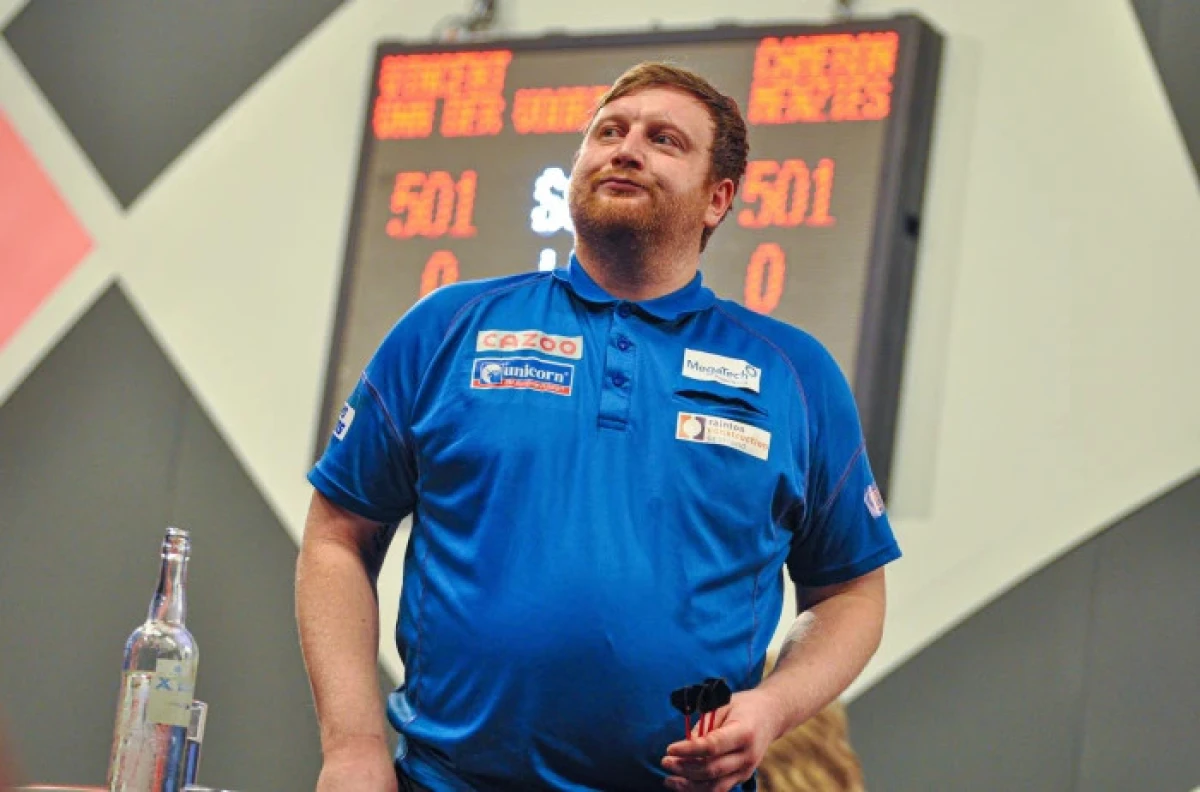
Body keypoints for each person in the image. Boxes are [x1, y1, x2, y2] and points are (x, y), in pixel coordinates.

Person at [296, 61, 900, 792]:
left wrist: (773, 707)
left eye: (664, 140)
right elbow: (337, 537)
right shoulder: (447, 327)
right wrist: (353, 747)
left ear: (718, 198)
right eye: (608, 132)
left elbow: (851, 596)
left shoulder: (794, 375)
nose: (626, 149)